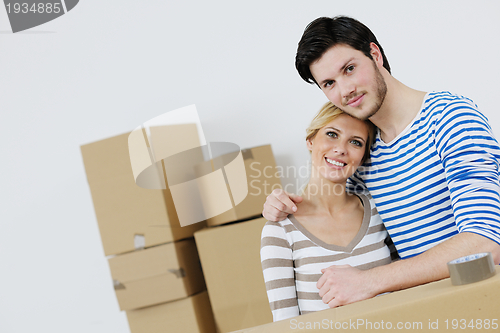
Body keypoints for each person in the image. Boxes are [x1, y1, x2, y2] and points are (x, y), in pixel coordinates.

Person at [263, 16, 500, 308]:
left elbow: (486, 242)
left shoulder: (450, 118)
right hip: (429, 314)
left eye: (349, 69)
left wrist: (370, 281)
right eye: (329, 83)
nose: (345, 90)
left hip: (484, 304)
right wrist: (281, 203)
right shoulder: (363, 152)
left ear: (375, 54)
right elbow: (337, 206)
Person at [261, 102, 397, 322]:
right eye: (332, 134)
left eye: (355, 142)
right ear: (310, 141)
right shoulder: (280, 229)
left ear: (362, 157)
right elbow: (285, 323)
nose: (341, 148)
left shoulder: (378, 210)